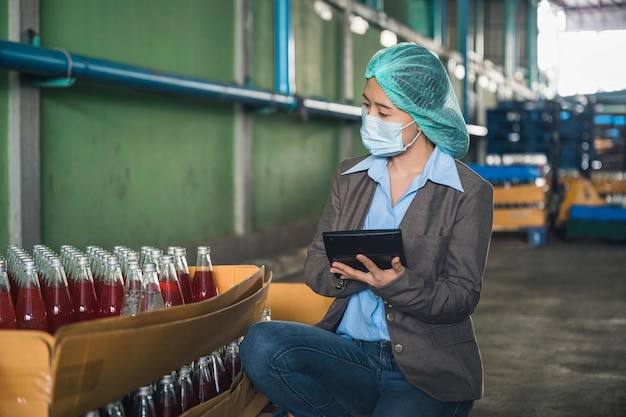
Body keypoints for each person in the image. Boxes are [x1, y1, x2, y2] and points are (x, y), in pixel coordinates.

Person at [240, 42, 494, 417]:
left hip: (424, 372)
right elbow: (315, 265)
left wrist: (396, 285)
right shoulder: (350, 177)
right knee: (260, 343)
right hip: (350, 356)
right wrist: (353, 275)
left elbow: (460, 296)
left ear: (420, 115)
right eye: (366, 106)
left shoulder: (468, 192)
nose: (369, 118)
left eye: (383, 111)